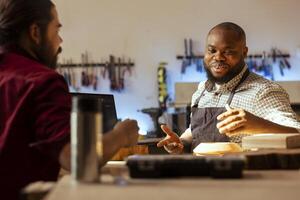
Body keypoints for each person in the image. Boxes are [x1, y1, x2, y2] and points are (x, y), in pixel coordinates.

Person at [0, 0, 139, 199]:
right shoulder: (42, 81)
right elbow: (78, 160)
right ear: (35, 32)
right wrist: (121, 135)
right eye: (56, 30)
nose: (60, 41)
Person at [157, 22, 300, 154]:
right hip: (200, 176)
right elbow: (195, 132)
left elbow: (297, 133)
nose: (218, 57)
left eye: (228, 52)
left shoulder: (263, 91)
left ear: (244, 52)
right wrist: (180, 142)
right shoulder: (202, 90)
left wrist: (258, 124)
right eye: (212, 50)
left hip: (241, 178)